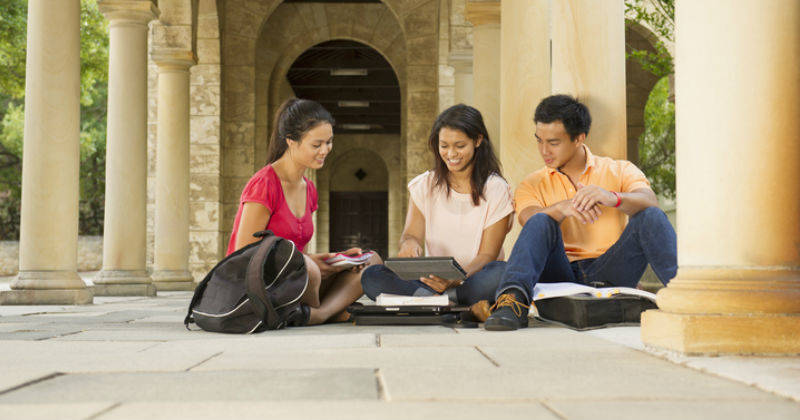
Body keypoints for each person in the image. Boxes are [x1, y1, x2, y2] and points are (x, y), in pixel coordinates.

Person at [484, 94, 677, 331]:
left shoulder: (619, 169)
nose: (544, 150)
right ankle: (511, 303)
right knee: (542, 219)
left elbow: (650, 201)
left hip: (611, 271)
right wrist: (561, 208)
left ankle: (685, 299)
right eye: (539, 140)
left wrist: (612, 197)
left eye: (553, 143)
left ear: (579, 138)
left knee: (651, 215)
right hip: (558, 271)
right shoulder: (532, 183)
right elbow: (528, 220)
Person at [226, 98, 381, 326]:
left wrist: (331, 260)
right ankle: (327, 312)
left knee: (371, 261)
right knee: (310, 270)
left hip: (296, 280)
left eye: (329, 142)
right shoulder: (264, 184)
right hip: (258, 287)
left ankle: (318, 314)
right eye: (316, 145)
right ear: (291, 141)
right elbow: (244, 256)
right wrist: (307, 264)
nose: (325, 150)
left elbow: (299, 254)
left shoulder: (309, 189)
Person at [360, 104, 514, 305]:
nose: (451, 154)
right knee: (372, 276)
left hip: (471, 279)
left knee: (501, 273)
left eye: (460, 146)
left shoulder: (496, 188)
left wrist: (457, 278)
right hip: (431, 281)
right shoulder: (425, 184)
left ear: (477, 140)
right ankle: (439, 301)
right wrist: (409, 243)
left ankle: (433, 301)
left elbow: (488, 255)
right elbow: (411, 235)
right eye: (444, 146)